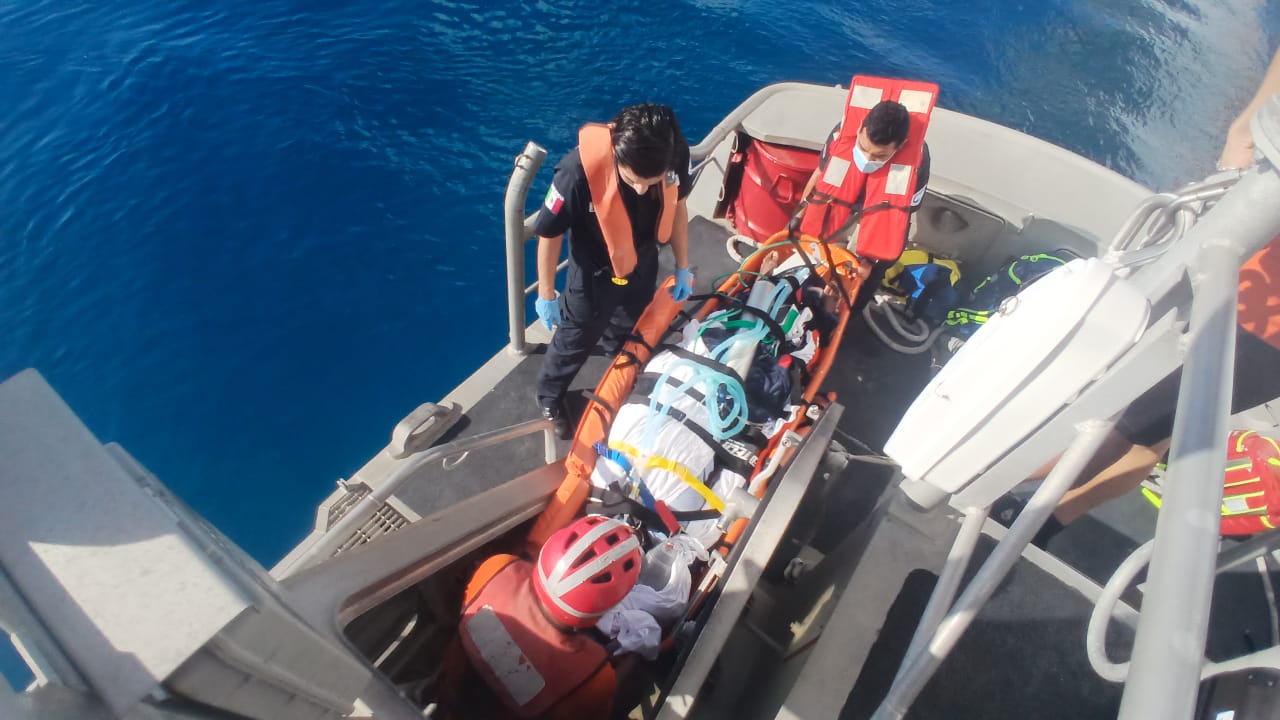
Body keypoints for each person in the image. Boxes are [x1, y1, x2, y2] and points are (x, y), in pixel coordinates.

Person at [1003, 47, 1280, 546]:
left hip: (1257, 313)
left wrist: (1240, 146)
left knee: (1122, 416)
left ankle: (982, 487)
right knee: (1150, 431)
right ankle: (1037, 522)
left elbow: (1248, 135)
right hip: (1253, 286)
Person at [533, 104, 694, 440]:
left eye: (649, 183)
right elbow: (549, 233)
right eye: (632, 179)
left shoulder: (674, 156)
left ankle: (620, 363)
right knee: (573, 340)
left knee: (629, 327)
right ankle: (550, 399)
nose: (640, 189)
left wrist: (682, 266)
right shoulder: (575, 173)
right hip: (593, 274)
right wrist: (546, 293)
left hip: (642, 264)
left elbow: (678, 206)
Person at [797, 88, 934, 316]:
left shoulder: (917, 163)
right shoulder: (840, 135)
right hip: (840, 200)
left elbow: (901, 214)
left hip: (883, 213)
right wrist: (802, 210)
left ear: (900, 147)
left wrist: (871, 259)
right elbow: (821, 173)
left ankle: (845, 317)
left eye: (879, 156)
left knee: (865, 279)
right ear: (860, 129)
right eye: (863, 149)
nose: (868, 159)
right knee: (812, 258)